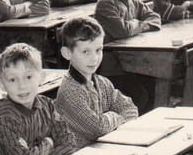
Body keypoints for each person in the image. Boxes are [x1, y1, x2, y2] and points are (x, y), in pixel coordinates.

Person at [54, 16, 138, 147]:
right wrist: (116, 116)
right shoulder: (70, 91)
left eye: (98, 50)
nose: (94, 58)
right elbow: (97, 129)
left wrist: (108, 120)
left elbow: (130, 109)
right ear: (67, 53)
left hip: (102, 149)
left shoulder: (102, 83)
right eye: (85, 52)